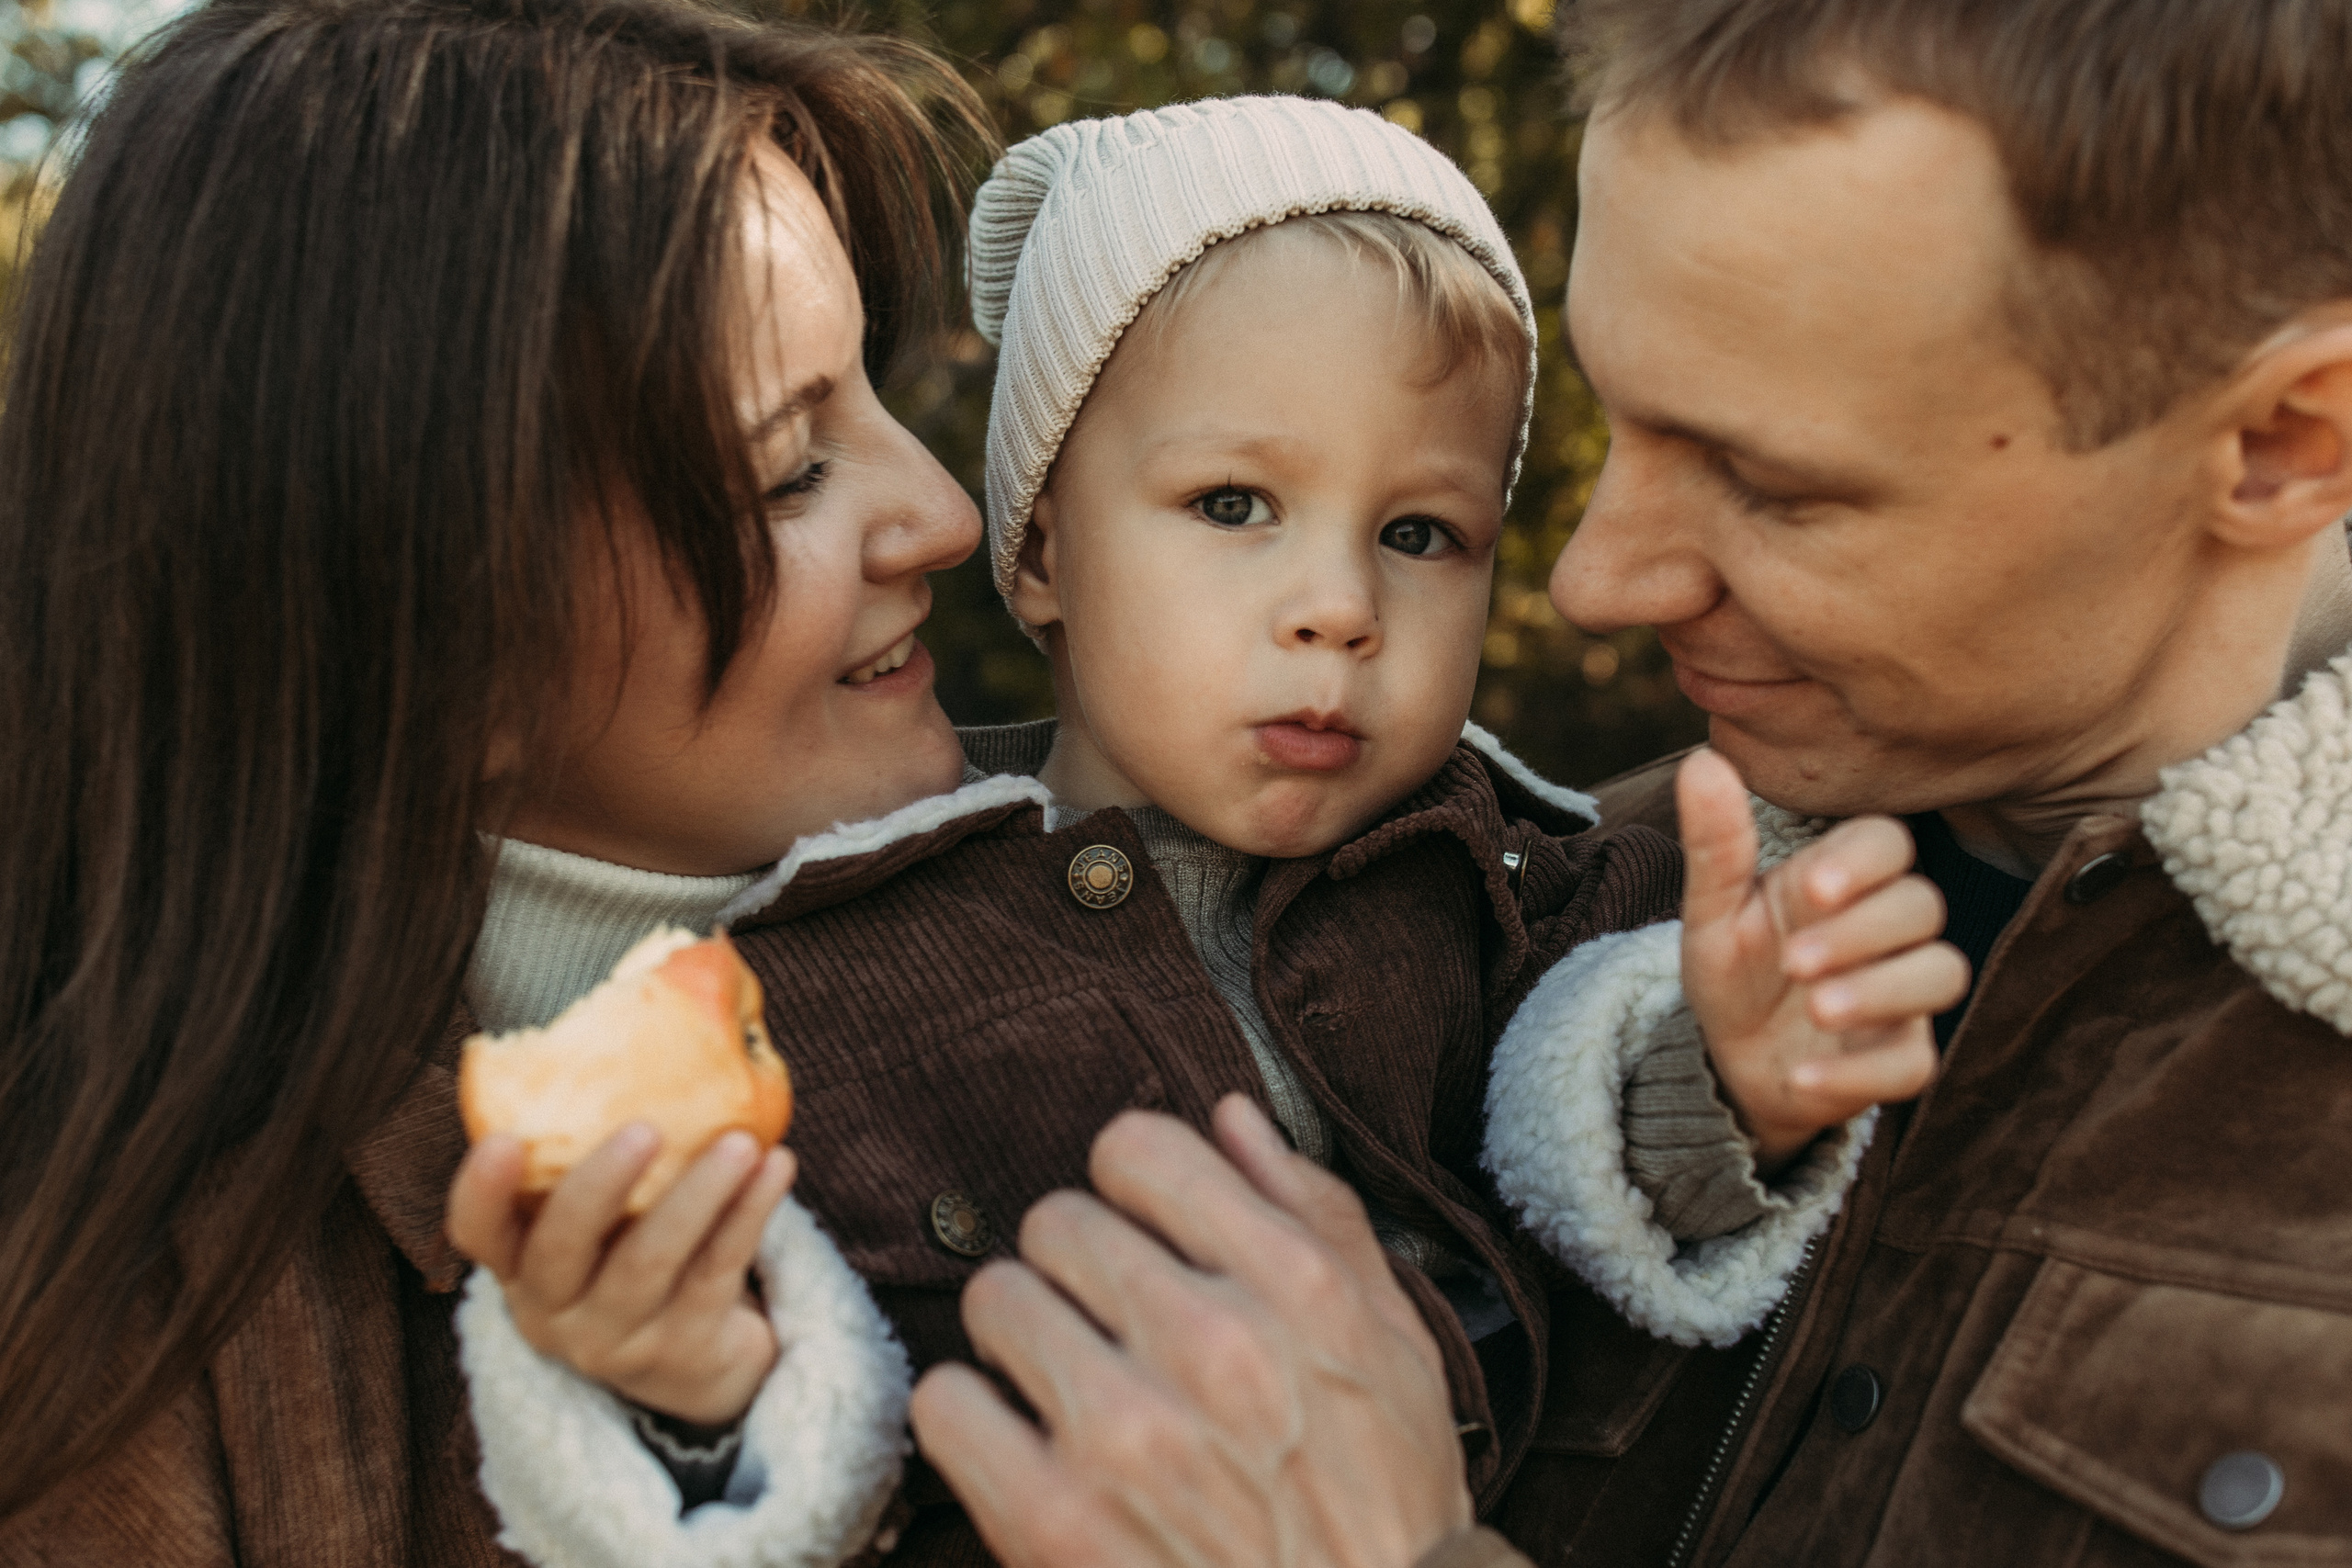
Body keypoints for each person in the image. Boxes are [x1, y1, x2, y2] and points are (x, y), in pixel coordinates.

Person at [906, 1, 2352, 1563]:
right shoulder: (1568, 912)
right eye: (1615, 426)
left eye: (1772, 482)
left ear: (2279, 442)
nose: (1597, 580)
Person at [448, 95, 1964, 1565]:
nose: (1338, 609)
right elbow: (808, 1434)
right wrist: (685, 1384)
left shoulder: (1506, 879)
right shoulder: (834, 958)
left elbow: (1602, 1159)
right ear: (1041, 548)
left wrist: (1734, 1082)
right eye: (1236, 504)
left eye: (1418, 535)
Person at [0, 1, 994, 1561]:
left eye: (876, 395)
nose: (944, 514)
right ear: (434, 647)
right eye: (790, 469)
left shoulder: (1168, 897)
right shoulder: (118, 1366)